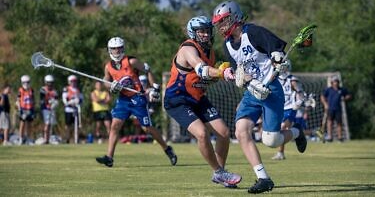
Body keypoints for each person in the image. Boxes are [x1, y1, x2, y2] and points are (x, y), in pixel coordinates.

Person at [212, 0, 307, 193]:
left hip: (271, 89)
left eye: (224, 21)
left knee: (271, 141)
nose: (221, 26)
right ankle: (263, 178)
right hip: (252, 92)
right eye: (218, 23)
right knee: (241, 131)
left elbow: (276, 49)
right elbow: (239, 70)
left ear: (235, 17)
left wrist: (277, 57)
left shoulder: (253, 33)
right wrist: (236, 75)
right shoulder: (227, 46)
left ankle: (296, 131)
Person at [164, 16, 241, 188]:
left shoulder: (210, 52)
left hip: (198, 98)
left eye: (207, 31)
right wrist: (221, 73)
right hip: (177, 99)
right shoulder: (188, 48)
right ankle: (220, 172)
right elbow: (200, 68)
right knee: (201, 133)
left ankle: (219, 173)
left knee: (224, 133)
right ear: (193, 32)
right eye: (201, 31)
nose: (205, 35)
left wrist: (223, 74)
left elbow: (205, 79)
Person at [96, 37, 177, 167]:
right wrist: (110, 86)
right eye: (114, 49)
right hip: (123, 100)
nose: (117, 51)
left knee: (147, 129)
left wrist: (155, 87)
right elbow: (106, 80)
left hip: (137, 98)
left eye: (119, 48)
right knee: (115, 125)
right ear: (109, 50)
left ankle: (167, 149)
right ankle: (109, 157)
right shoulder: (108, 67)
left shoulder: (131, 61)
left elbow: (147, 69)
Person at [272, 69, 305, 160]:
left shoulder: (292, 80)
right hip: (280, 107)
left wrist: (299, 101)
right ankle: (297, 130)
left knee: (282, 127)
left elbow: (300, 92)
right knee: (278, 130)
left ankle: (280, 153)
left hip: (291, 107)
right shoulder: (275, 78)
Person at [320, 75, 351, 142]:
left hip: (338, 109)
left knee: (339, 123)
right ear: (332, 82)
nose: (336, 83)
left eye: (337, 81)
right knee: (329, 122)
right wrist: (325, 104)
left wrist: (345, 98)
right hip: (330, 109)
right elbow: (322, 96)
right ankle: (330, 137)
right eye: (334, 81)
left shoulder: (341, 89)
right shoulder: (328, 89)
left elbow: (348, 95)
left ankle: (340, 137)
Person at [62, 75, 83, 144]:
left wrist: (78, 102)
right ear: (69, 82)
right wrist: (71, 102)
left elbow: (81, 99)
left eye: (74, 81)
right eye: (72, 81)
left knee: (76, 125)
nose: (73, 83)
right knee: (68, 125)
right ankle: (67, 139)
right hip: (68, 110)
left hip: (76, 110)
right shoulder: (66, 89)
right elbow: (65, 100)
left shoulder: (78, 90)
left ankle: (76, 139)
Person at [16, 75, 35, 145]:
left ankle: (28, 138)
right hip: (23, 109)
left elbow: (33, 100)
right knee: (22, 124)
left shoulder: (31, 90)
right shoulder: (20, 90)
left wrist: (33, 109)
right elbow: (18, 100)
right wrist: (19, 109)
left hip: (30, 109)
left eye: (27, 82)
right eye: (25, 82)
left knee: (29, 124)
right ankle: (21, 138)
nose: (26, 84)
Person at [39, 75, 59, 144]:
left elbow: (56, 99)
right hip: (45, 108)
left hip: (52, 109)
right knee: (47, 124)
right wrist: (49, 101)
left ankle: (49, 138)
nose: (50, 84)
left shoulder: (54, 91)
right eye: (48, 83)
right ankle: (45, 138)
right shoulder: (43, 89)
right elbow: (42, 100)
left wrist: (54, 103)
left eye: (51, 83)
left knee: (51, 124)